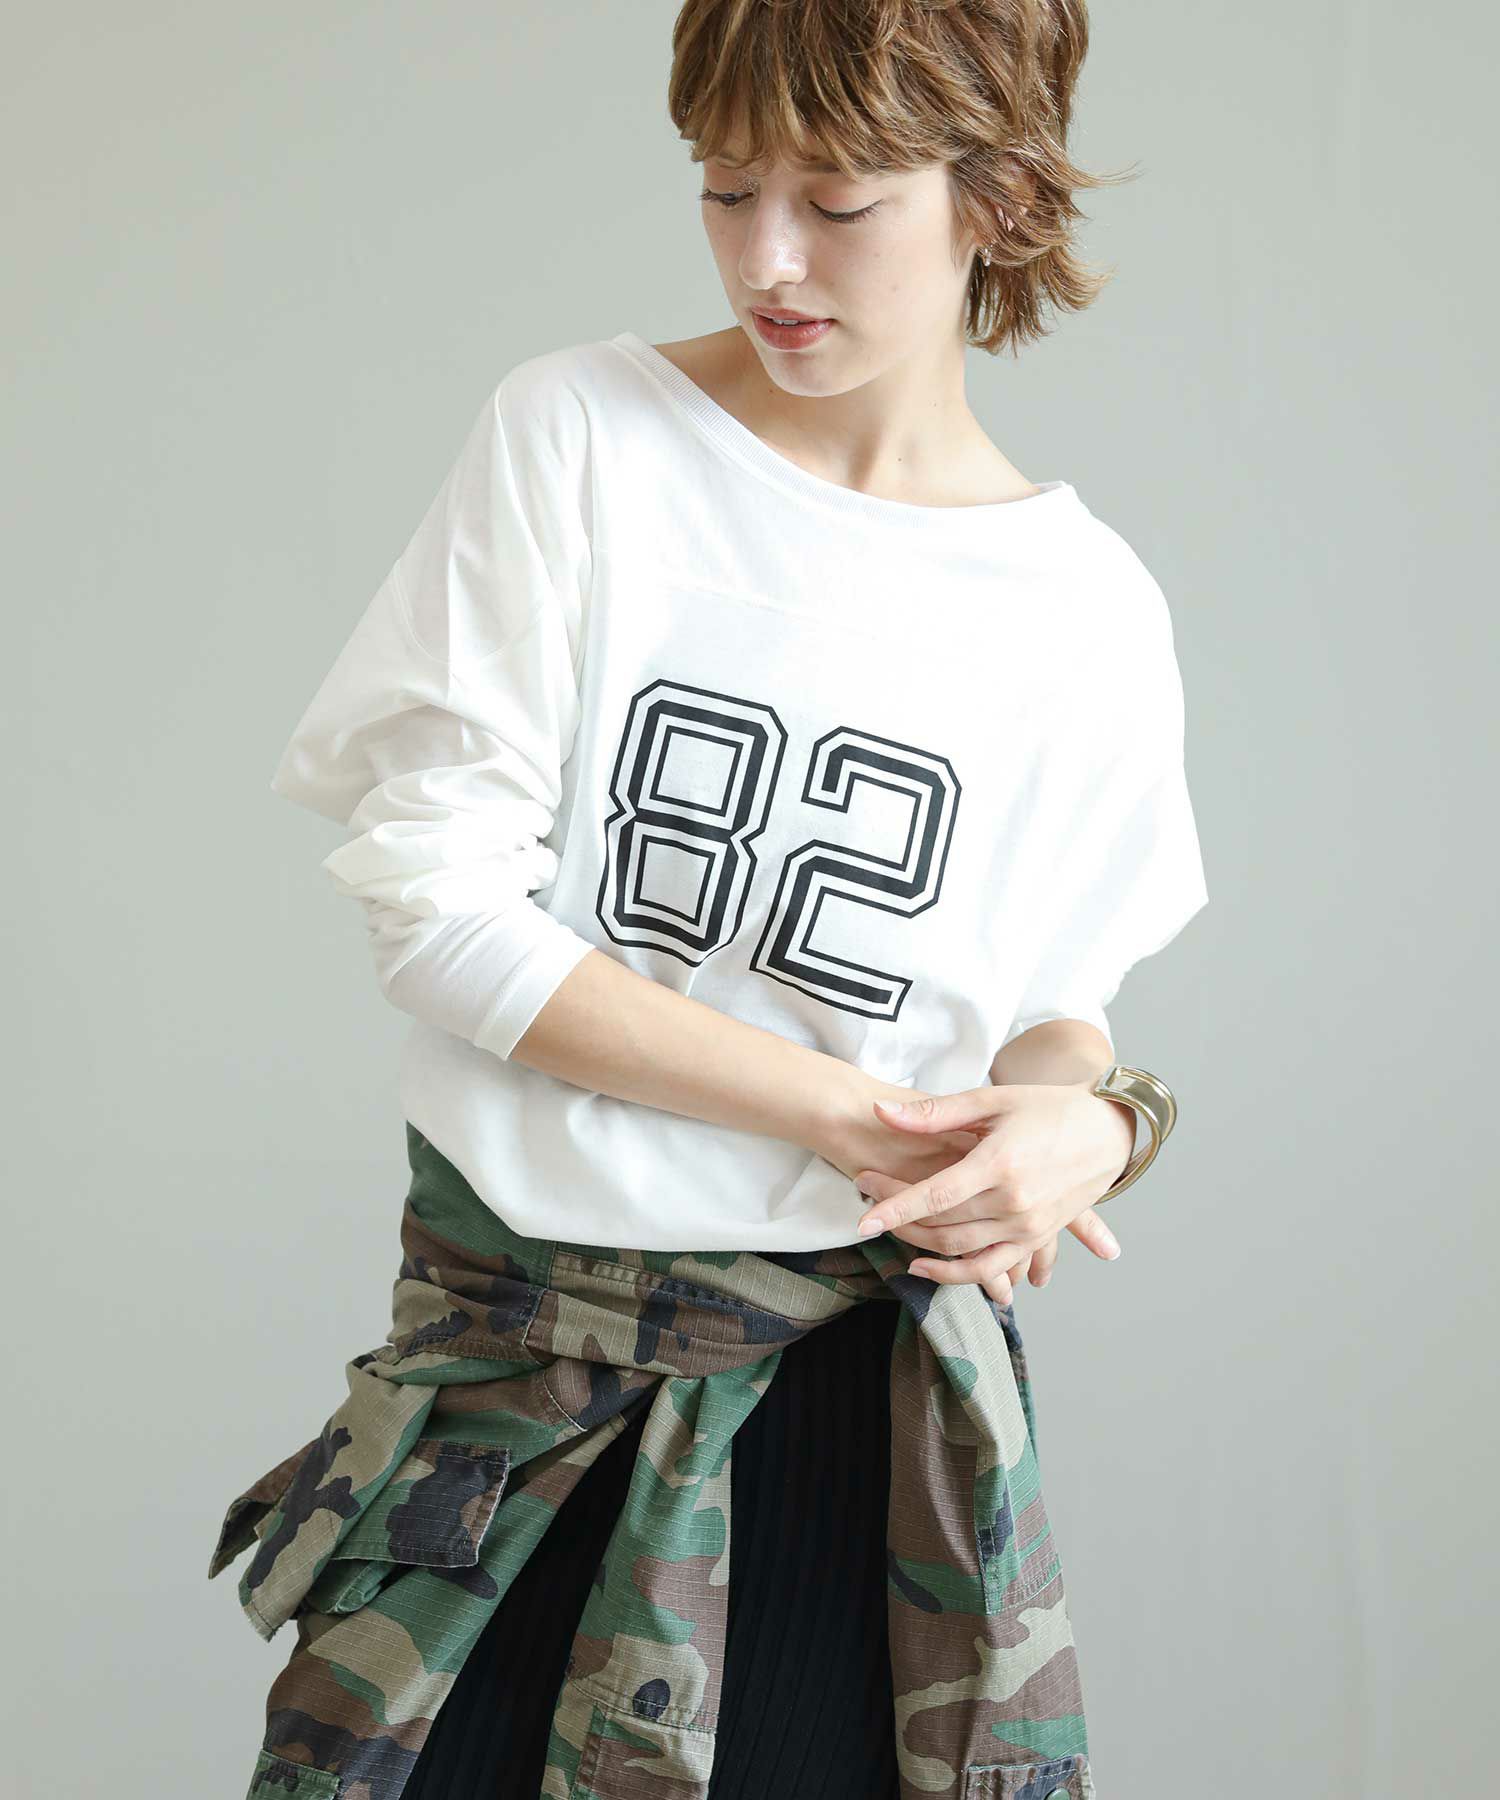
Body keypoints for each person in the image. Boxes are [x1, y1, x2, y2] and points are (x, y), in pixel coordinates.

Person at [241, 2, 1209, 1794]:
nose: (768, 257)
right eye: (725, 186)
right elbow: (441, 912)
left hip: (868, 1424)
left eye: (837, 203)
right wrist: (852, 1113)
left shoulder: (1082, 609)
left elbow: (1048, 1004)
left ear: (996, 197)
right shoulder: (583, 436)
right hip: (520, 1396)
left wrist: (1086, 1124)